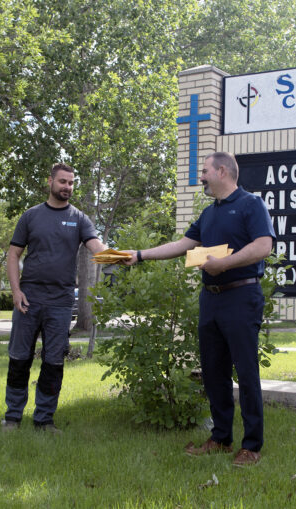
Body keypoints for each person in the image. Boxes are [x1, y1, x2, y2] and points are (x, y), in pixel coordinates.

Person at [123, 152, 275, 466]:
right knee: (213, 371)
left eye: (204, 171)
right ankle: (220, 438)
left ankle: (251, 446)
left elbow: (264, 246)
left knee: (246, 372)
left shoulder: (251, 205)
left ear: (222, 171)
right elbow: (182, 245)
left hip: (241, 297)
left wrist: (224, 264)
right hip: (211, 298)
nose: (201, 177)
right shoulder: (208, 214)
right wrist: (139, 254)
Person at [2, 163, 106, 432]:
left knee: (54, 361)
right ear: (50, 182)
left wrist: (124, 257)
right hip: (29, 298)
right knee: (19, 358)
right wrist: (16, 291)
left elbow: (98, 249)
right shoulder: (31, 216)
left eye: (71, 183)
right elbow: (13, 255)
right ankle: (12, 417)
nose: (67, 187)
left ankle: (44, 420)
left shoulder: (80, 219)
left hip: (60, 303)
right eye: (62, 182)